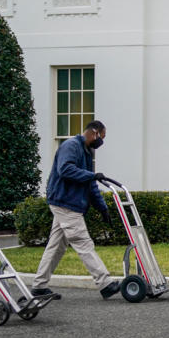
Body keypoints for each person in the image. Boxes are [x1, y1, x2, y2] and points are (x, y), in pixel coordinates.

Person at [31, 120, 120, 300]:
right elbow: (65, 169)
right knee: (82, 241)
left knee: (56, 246)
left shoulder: (87, 152)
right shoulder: (71, 146)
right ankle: (105, 283)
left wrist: (103, 208)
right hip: (64, 202)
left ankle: (39, 286)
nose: (101, 142)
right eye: (102, 137)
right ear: (94, 132)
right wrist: (92, 175)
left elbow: (90, 184)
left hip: (68, 203)